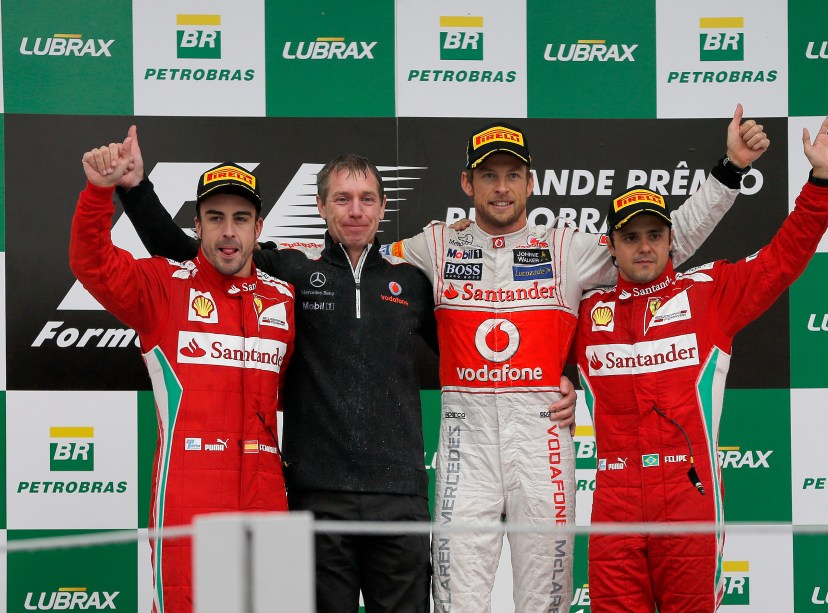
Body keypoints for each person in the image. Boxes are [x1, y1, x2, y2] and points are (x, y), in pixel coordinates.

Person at [111, 130, 576, 612]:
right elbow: (190, 250)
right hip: (317, 493)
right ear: (321, 207)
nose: (355, 210)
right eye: (342, 199)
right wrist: (135, 188)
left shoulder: (411, 277)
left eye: (366, 199)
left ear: (382, 207)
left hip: (400, 496)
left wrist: (560, 372)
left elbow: (481, 335)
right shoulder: (287, 267)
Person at [385, 105, 770, 612]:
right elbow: (362, 261)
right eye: (489, 176)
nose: (501, 188)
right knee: (457, 598)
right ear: (466, 182)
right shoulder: (435, 243)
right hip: (466, 440)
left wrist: (730, 170)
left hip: (542, 435)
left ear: (531, 183)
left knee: (546, 600)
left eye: (513, 176)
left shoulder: (565, 248)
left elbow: (671, 239)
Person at [571, 109, 828, 613]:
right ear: (610, 246)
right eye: (630, 237)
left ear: (670, 240)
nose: (644, 247)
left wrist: (821, 180)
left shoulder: (709, 293)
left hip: (687, 493)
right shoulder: (584, 311)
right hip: (614, 496)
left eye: (654, 235)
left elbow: (783, 258)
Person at [73, 139, 295, 613]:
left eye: (240, 219)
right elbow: (92, 264)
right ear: (197, 226)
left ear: (259, 227)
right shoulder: (162, 288)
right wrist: (98, 194)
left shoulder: (283, 299)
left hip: (266, 496)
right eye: (215, 218)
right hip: (189, 499)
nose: (228, 232)